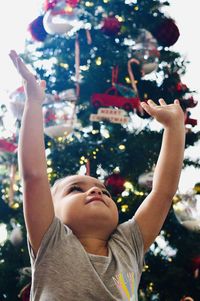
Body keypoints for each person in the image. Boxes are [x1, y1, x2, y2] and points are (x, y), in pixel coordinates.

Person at [9, 50, 185, 301]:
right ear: (51, 210)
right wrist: (34, 103)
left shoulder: (128, 245)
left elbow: (163, 192)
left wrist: (175, 128)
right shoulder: (51, 240)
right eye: (75, 189)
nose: (95, 191)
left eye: (104, 191)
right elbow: (34, 175)